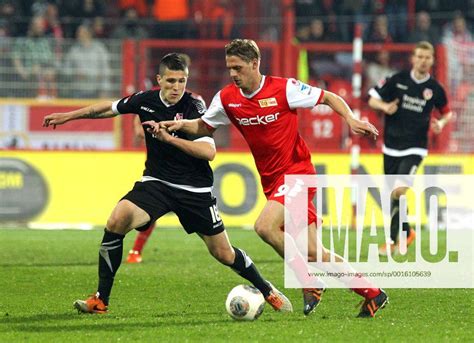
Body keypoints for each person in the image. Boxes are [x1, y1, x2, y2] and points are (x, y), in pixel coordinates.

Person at [149, 39, 388, 318]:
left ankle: (308, 282)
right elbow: (205, 125)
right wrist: (181, 125)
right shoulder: (227, 97)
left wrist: (351, 119)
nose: (233, 74)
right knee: (312, 251)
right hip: (273, 182)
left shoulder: (284, 89)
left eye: (238, 67)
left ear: (254, 63)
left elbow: (328, 97)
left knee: (264, 227)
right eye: (229, 68)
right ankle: (372, 293)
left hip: (298, 173)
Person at [43, 53, 292, 314]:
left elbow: (208, 152)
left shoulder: (195, 105)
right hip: (157, 183)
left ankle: (267, 290)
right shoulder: (145, 100)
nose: (176, 87)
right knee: (117, 219)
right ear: (159, 80)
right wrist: (69, 116)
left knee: (224, 253)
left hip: (194, 190)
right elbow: (107, 108)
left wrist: (169, 138)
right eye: (171, 81)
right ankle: (100, 299)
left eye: (182, 81)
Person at [368, 41, 453, 256]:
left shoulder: (434, 88)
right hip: (391, 146)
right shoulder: (398, 80)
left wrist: (440, 124)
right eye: (420, 57)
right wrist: (385, 106)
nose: (424, 61)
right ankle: (407, 231)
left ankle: (392, 242)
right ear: (413, 59)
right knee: (394, 195)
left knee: (399, 190)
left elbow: (447, 112)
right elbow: (372, 99)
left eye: (428, 57)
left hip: (415, 148)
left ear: (432, 60)